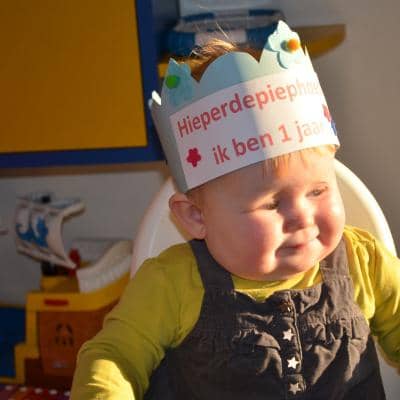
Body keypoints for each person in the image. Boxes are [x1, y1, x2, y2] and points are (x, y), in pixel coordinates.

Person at [71, 21, 400, 399]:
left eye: (318, 190)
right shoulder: (171, 284)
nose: (301, 216)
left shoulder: (364, 263)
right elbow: (115, 355)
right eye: (272, 203)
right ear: (196, 217)